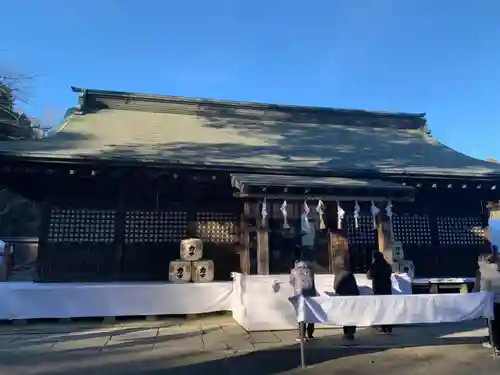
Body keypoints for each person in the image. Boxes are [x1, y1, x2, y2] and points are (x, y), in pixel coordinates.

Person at [473, 253, 500, 352]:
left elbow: (482, 288)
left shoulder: (484, 271)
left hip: (494, 301)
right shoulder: (496, 267)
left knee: (494, 323)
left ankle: (496, 344)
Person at [289, 260, 318, 342]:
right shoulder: (311, 270)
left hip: (300, 294)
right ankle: (310, 334)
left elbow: (291, 281)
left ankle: (302, 335)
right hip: (311, 294)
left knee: (301, 314)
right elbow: (313, 282)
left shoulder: (294, 271)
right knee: (311, 313)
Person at [333, 253, 360, 340]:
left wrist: (338, 292)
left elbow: (336, 287)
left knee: (345, 315)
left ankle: (346, 333)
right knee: (352, 315)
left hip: (344, 297)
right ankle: (351, 332)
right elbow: (355, 286)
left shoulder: (338, 275)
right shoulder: (350, 274)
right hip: (353, 296)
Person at [367, 251, 394, 334]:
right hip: (387, 289)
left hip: (378, 289)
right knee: (387, 308)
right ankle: (389, 327)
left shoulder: (374, 266)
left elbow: (370, 276)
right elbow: (389, 274)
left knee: (380, 308)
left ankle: (382, 327)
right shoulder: (387, 266)